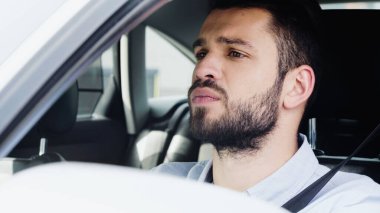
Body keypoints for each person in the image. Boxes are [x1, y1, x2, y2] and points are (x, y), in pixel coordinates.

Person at [154, 0, 380, 211]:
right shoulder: (158, 186)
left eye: (235, 53)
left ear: (296, 87)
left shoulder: (352, 203)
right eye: (201, 53)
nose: (202, 69)